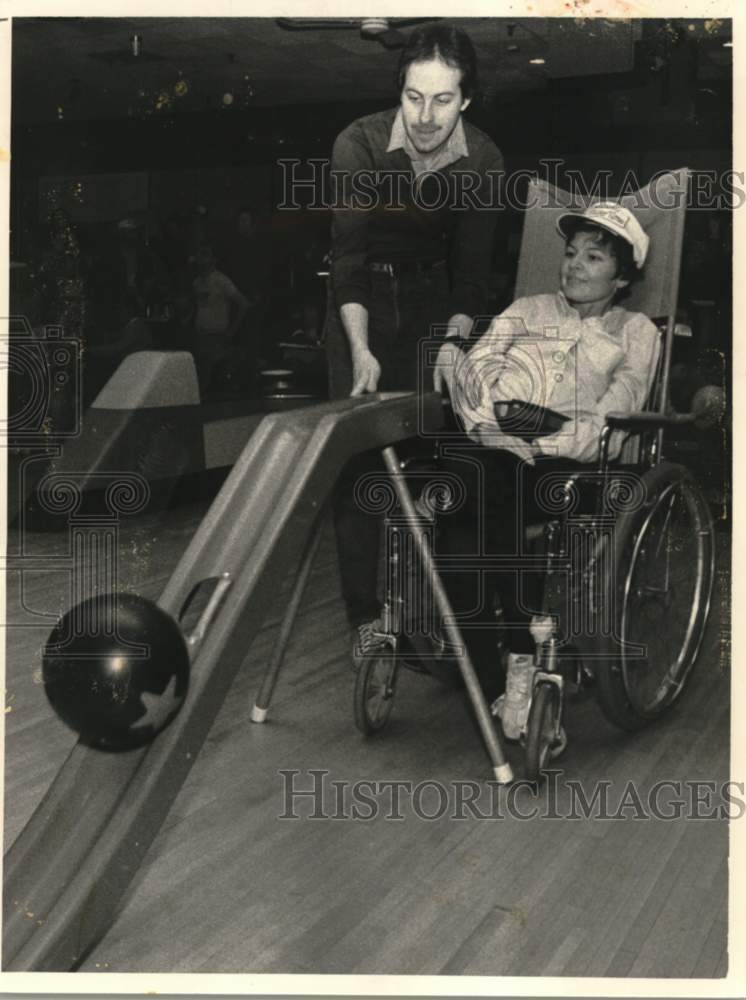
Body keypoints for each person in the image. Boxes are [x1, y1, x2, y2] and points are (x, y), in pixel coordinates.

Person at [433, 201, 659, 739]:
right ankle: (512, 661)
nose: (575, 264)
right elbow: (475, 371)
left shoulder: (637, 331)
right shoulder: (525, 309)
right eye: (570, 252)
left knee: (482, 495)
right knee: (475, 482)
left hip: (572, 464)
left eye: (595, 257)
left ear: (623, 276)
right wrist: (492, 430)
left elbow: (618, 415)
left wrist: (541, 443)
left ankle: (501, 664)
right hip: (492, 442)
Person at [325, 23, 504, 666]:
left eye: (444, 100)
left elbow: (473, 274)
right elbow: (348, 260)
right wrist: (360, 351)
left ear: (468, 100)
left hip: (435, 309)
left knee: (441, 459)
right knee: (358, 473)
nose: (426, 117)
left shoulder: (483, 159)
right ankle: (364, 624)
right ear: (399, 91)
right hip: (360, 305)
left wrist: (455, 344)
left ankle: (438, 611)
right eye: (413, 97)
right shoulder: (359, 144)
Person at [193, 244, 249, 396]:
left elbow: (243, 304)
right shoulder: (196, 282)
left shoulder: (222, 280)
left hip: (217, 337)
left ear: (213, 259)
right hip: (201, 338)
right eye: (199, 255)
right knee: (199, 381)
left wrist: (232, 331)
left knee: (213, 383)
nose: (201, 259)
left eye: (205, 255)